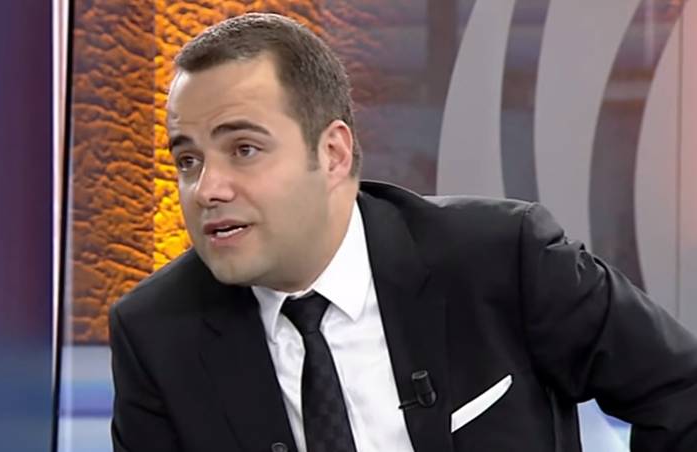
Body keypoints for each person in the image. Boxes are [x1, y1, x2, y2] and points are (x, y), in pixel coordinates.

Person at [109, 12, 697, 452]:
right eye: (188, 160)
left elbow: (681, 392)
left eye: (243, 149)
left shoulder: (502, 258)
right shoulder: (157, 333)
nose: (206, 188)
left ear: (333, 153)